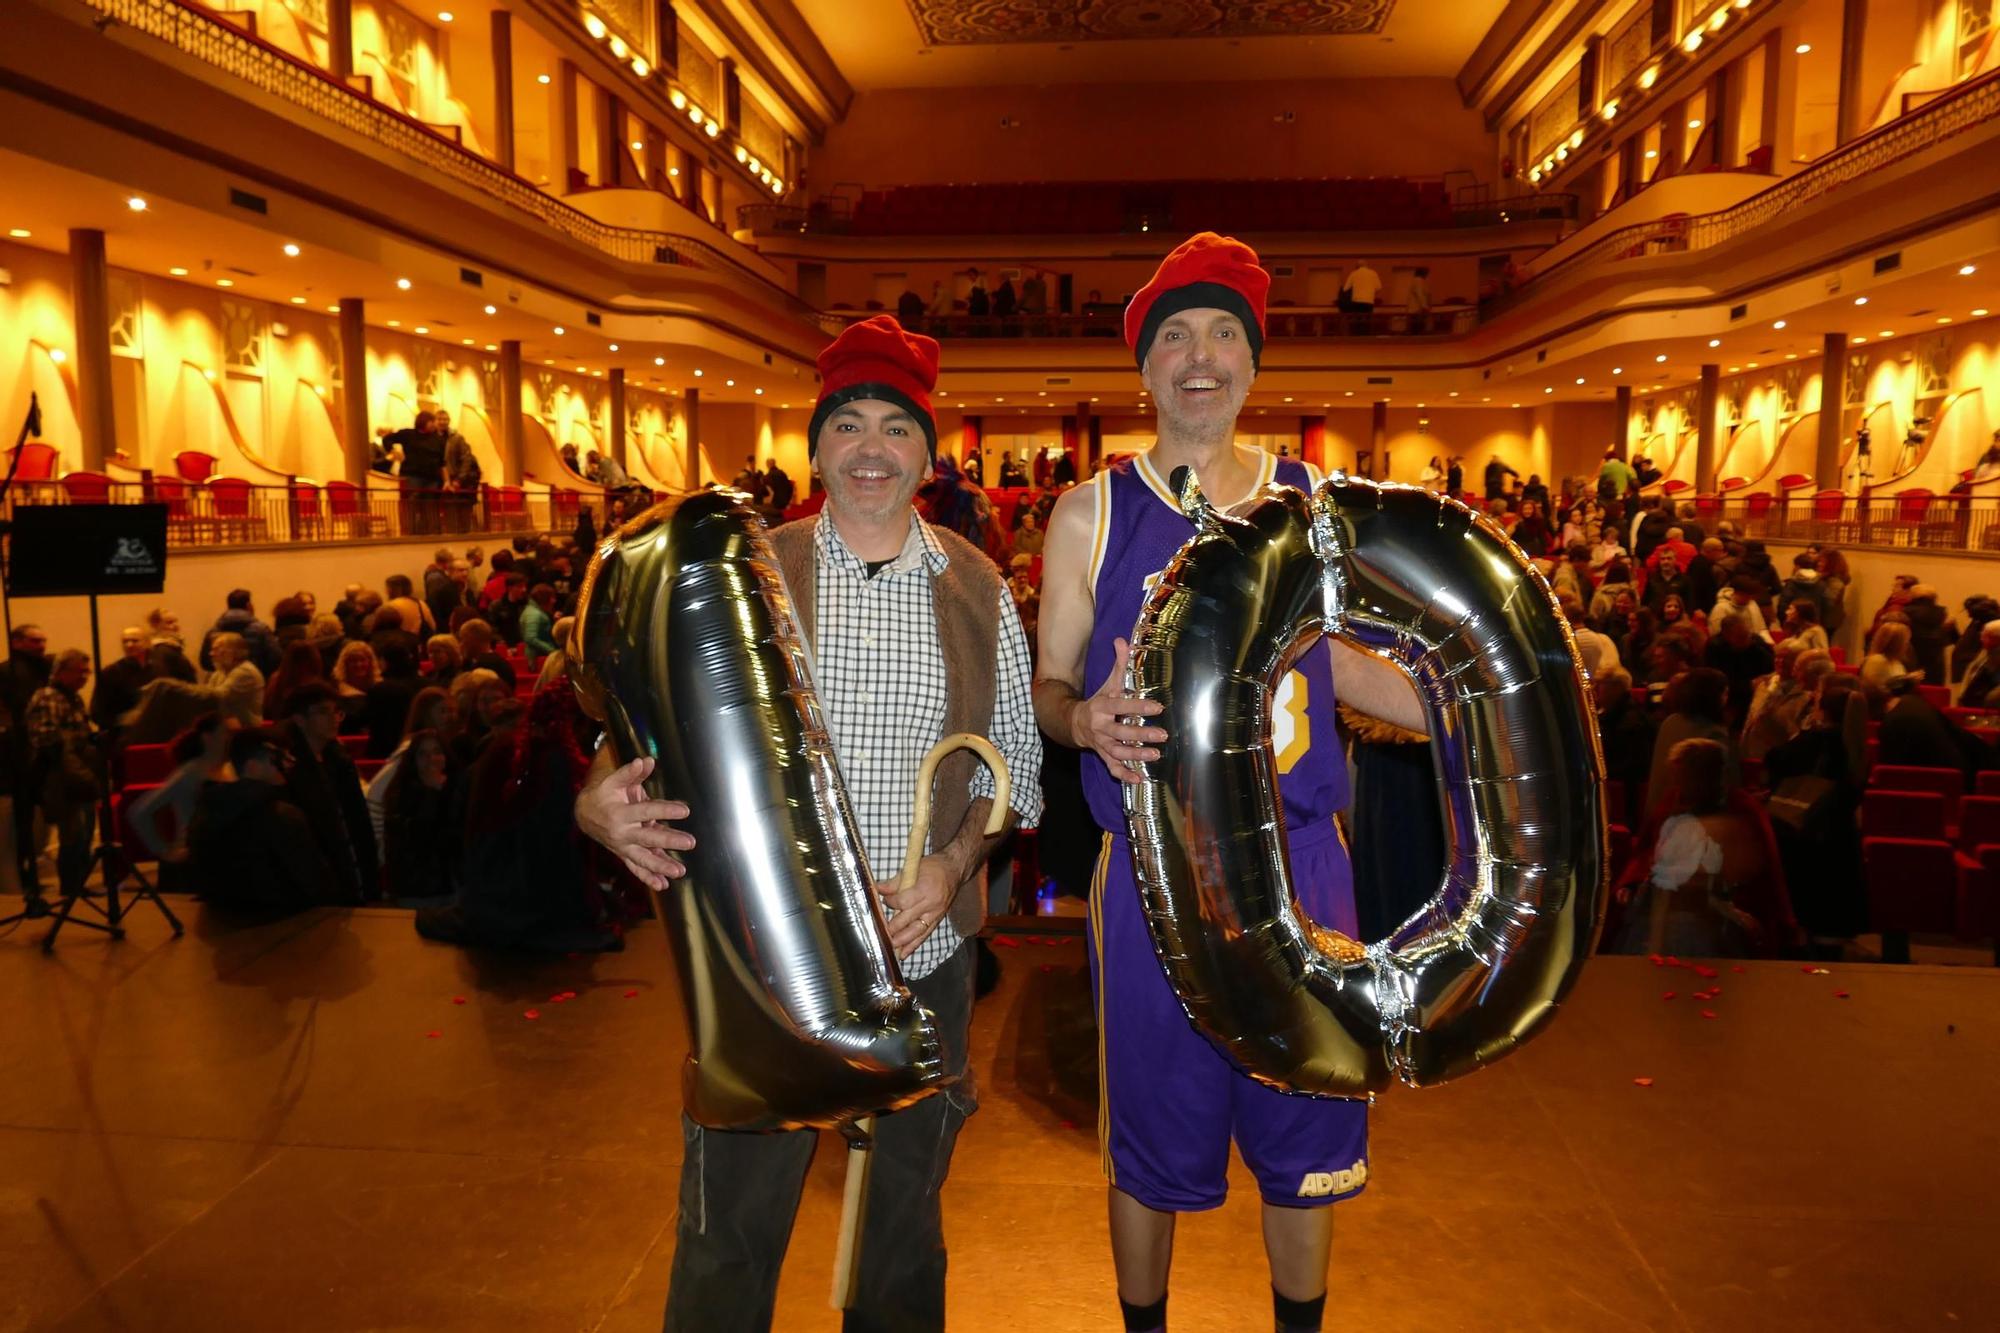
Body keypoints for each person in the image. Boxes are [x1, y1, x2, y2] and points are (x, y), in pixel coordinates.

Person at [571, 313, 1042, 1331]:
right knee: (726, 1237)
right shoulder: (749, 569)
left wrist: (953, 868)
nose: (871, 448)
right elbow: (645, 723)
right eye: (849, 425)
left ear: (926, 449)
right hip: (758, 967)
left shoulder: (976, 586)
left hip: (924, 959)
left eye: (895, 427)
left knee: (899, 1238)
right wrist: (595, 790)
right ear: (815, 444)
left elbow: (1017, 774)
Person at [1035, 235, 1417, 1333]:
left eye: (1218, 336)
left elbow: (1342, 668)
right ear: (1144, 369)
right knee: (1148, 1136)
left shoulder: (1315, 508)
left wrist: (1485, 711)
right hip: (1151, 868)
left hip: (1301, 859)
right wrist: (1081, 723)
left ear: (1251, 364)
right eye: (1172, 338)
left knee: (1306, 1124)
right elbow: (1051, 684)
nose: (1196, 358)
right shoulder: (1089, 513)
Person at [187, 727, 341, 916]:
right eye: (279, 761)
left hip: (220, 920)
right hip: (280, 924)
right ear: (253, 766)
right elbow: (315, 883)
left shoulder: (206, 809)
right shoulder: (281, 814)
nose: (287, 767)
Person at [278, 681, 378, 903]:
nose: (334, 718)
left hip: (348, 866)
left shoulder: (338, 760)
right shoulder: (289, 768)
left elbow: (356, 821)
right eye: (323, 712)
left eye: (336, 711)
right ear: (299, 719)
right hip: (318, 879)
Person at [25, 650, 98, 913]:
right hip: (61, 778)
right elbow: (48, 741)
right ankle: (71, 888)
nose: (84, 677)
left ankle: (78, 883)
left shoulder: (72, 697)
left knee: (85, 833)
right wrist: (76, 767)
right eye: (80, 671)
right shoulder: (49, 697)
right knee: (72, 833)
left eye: (86, 672)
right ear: (61, 671)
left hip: (79, 775)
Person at [127, 711, 230, 894]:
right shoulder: (189, 773)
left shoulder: (223, 768)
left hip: (214, 857)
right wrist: (165, 852)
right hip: (193, 861)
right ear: (208, 738)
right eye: (227, 733)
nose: (232, 738)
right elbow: (139, 811)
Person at [382, 728, 454, 901]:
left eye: (437, 752)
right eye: (423, 754)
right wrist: (431, 793)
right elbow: (420, 837)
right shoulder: (402, 795)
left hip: (450, 885)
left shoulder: (456, 788)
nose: (431, 759)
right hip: (417, 888)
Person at [200, 589, 278, 675]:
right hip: (253, 681)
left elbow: (205, 662)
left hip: (222, 681)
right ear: (248, 605)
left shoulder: (213, 631)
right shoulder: (261, 630)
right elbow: (275, 658)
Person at [91, 627, 153, 732]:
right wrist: (124, 720)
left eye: (135, 641)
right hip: (123, 736)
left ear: (147, 643)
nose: (129, 645)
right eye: (125, 641)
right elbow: (97, 712)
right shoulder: (112, 672)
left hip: (151, 733)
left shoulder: (157, 669)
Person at [1861, 621, 1917, 694]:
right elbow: (1879, 691)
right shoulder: (1878, 661)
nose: (1907, 646)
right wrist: (1908, 680)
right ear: (1895, 644)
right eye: (1905, 642)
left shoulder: (1897, 663)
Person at [1958, 620, 2000, 707]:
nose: (1981, 638)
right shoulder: (1986, 653)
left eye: (1985, 635)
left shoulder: (1995, 657)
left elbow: (1982, 680)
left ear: (1995, 639)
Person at [520, 583, 559, 664]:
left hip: (538, 656)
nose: (554, 601)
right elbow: (530, 638)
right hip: (538, 658)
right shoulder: (534, 614)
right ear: (544, 598)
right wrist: (551, 650)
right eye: (552, 597)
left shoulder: (533, 611)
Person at [1340, 258, 1381, 332]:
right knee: (1367, 320)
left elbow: (1345, 288)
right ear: (1367, 265)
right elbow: (1378, 287)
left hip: (1356, 300)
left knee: (1357, 321)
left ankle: (1357, 337)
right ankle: (1366, 337)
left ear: (1357, 266)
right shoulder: (1373, 273)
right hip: (1369, 301)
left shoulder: (1354, 273)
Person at [1403, 265, 1431, 334]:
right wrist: (1425, 306)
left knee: (1416, 327)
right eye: (1426, 273)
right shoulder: (1418, 281)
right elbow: (1420, 294)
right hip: (1416, 308)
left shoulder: (1416, 280)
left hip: (1415, 308)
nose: (1427, 275)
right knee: (1417, 328)